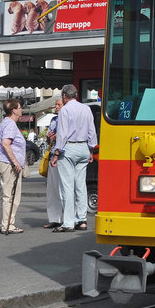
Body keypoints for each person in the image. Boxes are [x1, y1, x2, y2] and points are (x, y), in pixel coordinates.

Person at [50, 84, 97, 233]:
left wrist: (57, 153)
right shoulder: (86, 109)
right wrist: (90, 149)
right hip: (83, 148)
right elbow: (92, 131)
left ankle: (68, 222)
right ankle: (81, 220)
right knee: (81, 186)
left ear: (64, 96)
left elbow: (62, 134)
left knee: (67, 186)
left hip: (69, 149)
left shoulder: (65, 110)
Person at [0, 99, 27, 234]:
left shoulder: (6, 123)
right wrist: (15, 162)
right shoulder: (10, 124)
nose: (21, 110)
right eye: (19, 108)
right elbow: (6, 143)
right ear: (14, 110)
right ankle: (8, 225)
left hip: (3, 161)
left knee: (5, 195)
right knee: (11, 195)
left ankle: (2, 223)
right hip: (8, 163)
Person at [43, 96, 64, 229]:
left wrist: (59, 136)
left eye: (59, 105)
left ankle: (66, 218)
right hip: (53, 156)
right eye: (56, 105)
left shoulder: (68, 118)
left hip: (63, 155)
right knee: (52, 189)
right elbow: (48, 140)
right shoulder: (54, 120)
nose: (56, 107)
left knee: (64, 188)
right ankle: (54, 218)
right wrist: (49, 137)